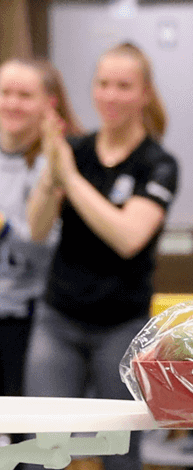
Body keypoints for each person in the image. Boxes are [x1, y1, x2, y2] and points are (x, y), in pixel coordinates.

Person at [18, 42, 178, 470]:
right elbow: (38, 225)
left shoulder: (158, 164)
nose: (110, 95)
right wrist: (53, 173)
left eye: (123, 85)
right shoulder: (74, 152)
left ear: (144, 93)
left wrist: (69, 176)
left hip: (121, 329)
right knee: (43, 455)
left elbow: (128, 236)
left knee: (122, 462)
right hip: (58, 321)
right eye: (102, 84)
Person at [0, 58, 82, 406]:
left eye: (24, 95)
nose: (12, 103)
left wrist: (4, 229)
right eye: (5, 92)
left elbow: (51, 246)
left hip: (31, 318)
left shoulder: (60, 162)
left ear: (49, 103)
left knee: (24, 431)